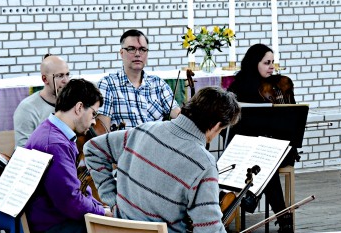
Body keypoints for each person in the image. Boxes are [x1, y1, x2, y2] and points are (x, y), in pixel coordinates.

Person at [83, 87, 240, 233]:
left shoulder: (144, 130)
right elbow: (209, 229)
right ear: (216, 125)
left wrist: (113, 200)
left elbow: (92, 148)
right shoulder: (204, 163)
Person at [225, 43, 297, 232]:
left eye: (273, 62)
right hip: (250, 147)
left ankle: (253, 197)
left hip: (279, 147)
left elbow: (292, 114)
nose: (272, 67)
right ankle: (284, 219)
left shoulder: (279, 85)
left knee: (266, 159)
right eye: (267, 63)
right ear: (254, 63)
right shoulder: (239, 86)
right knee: (265, 163)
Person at [26, 79, 111, 233]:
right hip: (53, 225)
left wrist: (98, 207)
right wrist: (103, 212)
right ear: (79, 108)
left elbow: (72, 193)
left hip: (50, 218)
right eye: (93, 114)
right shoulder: (56, 144)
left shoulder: (48, 130)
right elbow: (72, 202)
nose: (93, 122)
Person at [96, 29, 180, 130]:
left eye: (142, 49)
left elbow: (179, 116)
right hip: (124, 144)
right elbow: (102, 131)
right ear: (122, 53)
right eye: (131, 49)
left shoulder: (158, 84)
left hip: (155, 144)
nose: (137, 54)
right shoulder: (107, 84)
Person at [15, 54, 72, 147]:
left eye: (67, 74)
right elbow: (23, 149)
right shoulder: (28, 108)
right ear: (45, 79)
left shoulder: (73, 104)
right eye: (60, 76)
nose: (66, 81)